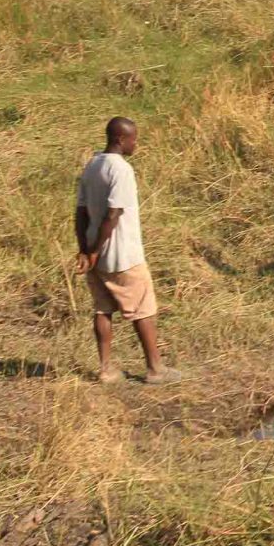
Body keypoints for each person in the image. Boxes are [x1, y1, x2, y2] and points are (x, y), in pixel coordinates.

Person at [74, 118, 180, 384]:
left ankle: (106, 369)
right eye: (134, 139)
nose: (136, 143)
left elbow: (80, 213)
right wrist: (96, 250)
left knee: (102, 309)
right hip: (122, 254)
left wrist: (85, 250)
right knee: (143, 309)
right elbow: (113, 215)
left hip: (95, 255)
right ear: (121, 140)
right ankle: (155, 369)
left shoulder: (92, 165)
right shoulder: (121, 170)